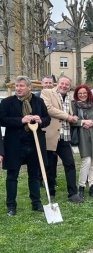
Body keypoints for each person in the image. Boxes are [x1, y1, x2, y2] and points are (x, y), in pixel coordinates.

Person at [0, 76, 51, 216]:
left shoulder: (38, 101)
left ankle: (36, 203)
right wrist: (21, 120)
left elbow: (48, 118)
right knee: (12, 176)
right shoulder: (7, 102)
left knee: (34, 176)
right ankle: (11, 206)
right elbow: (2, 120)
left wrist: (41, 120)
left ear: (29, 87)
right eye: (17, 86)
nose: (18, 88)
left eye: (21, 86)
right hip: (14, 145)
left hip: (34, 144)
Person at [41, 75, 83, 203]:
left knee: (70, 163)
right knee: (50, 166)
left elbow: (72, 113)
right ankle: (51, 193)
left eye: (67, 84)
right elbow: (49, 109)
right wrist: (68, 117)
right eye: (62, 83)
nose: (64, 86)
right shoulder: (47, 92)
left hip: (65, 136)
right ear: (57, 84)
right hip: (51, 135)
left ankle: (72, 194)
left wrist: (74, 116)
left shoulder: (70, 98)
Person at [71, 85, 93, 199]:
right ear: (77, 94)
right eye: (80, 93)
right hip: (83, 136)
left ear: (88, 93)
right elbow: (71, 120)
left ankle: (92, 187)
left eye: (84, 93)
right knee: (86, 160)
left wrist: (92, 122)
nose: (82, 95)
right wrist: (83, 122)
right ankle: (81, 187)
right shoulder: (74, 105)